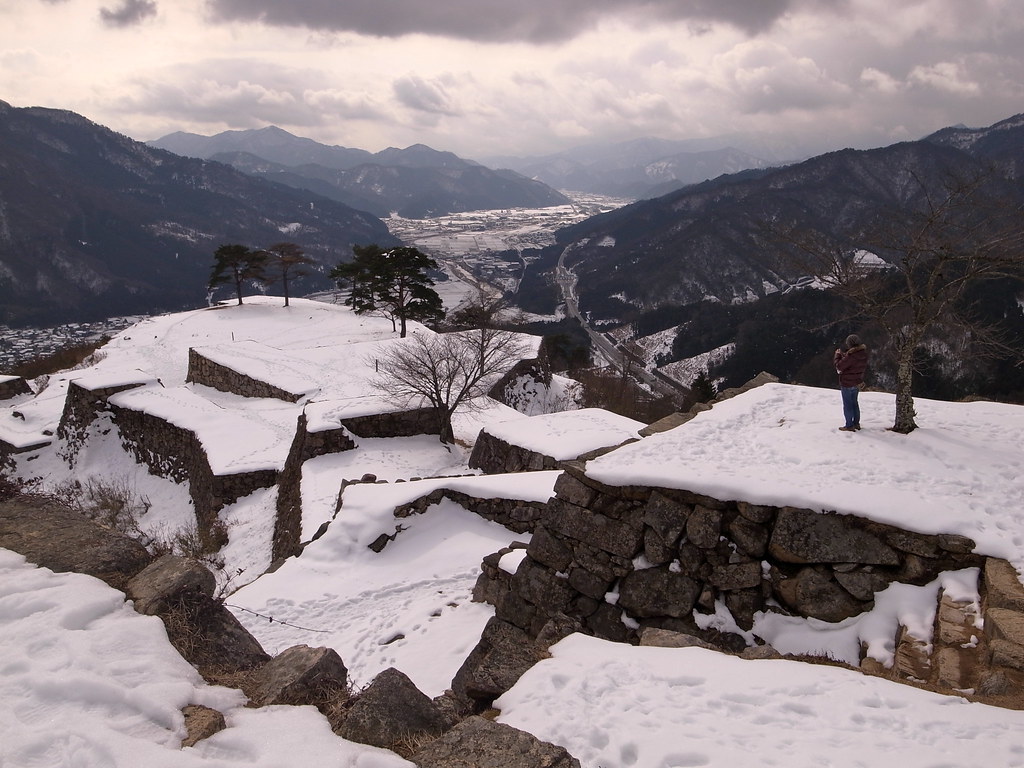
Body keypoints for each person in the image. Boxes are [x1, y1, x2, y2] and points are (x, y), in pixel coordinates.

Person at [834, 334, 868, 432]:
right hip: (857, 381)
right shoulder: (863, 354)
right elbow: (852, 363)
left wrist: (837, 356)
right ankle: (856, 423)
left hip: (847, 382)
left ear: (849, 344)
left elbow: (839, 366)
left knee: (847, 404)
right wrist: (844, 355)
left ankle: (849, 425)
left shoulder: (851, 356)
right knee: (854, 403)